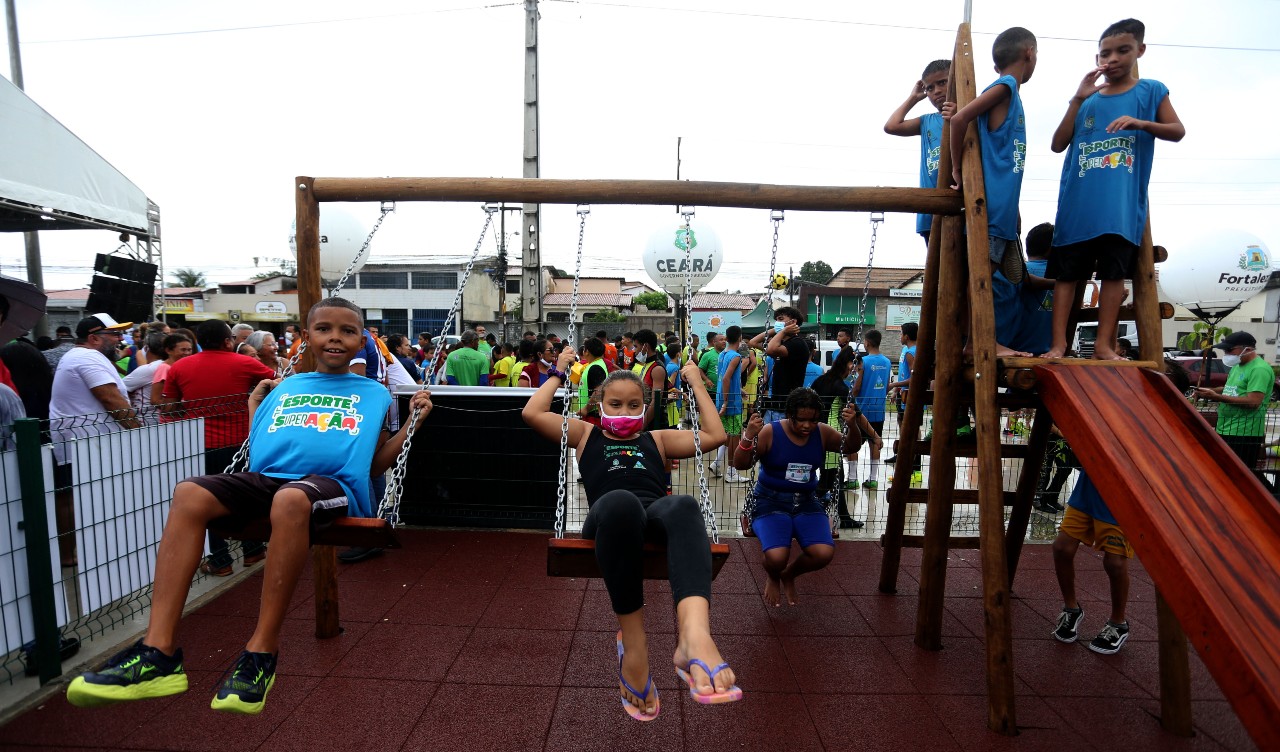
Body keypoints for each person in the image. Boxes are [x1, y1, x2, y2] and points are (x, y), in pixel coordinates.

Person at [68, 297, 433, 714]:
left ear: (362, 339)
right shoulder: (288, 386)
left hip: (330, 487)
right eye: (325, 329)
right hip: (270, 479)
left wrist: (411, 423)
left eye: (348, 331)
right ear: (306, 337)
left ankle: (261, 653)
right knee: (190, 491)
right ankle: (159, 650)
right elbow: (262, 448)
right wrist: (254, 406)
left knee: (291, 499)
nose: (336, 337)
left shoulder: (373, 393)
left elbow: (375, 463)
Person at [522, 346, 741, 719]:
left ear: (645, 406)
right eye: (616, 403)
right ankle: (635, 645)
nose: (625, 412)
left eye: (634, 404)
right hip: (609, 518)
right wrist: (558, 372)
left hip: (653, 516)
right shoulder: (585, 434)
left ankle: (694, 635)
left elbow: (715, 435)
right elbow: (532, 413)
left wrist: (695, 383)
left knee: (684, 504)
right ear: (600, 404)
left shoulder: (656, 439)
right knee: (621, 501)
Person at [1042, 19, 1185, 360]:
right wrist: (1076, 99)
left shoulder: (1150, 91)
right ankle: (1058, 344)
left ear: (1140, 51)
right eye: (1105, 53)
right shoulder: (1088, 100)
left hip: (1119, 208)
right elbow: (1057, 143)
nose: (1114, 58)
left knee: (1113, 274)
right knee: (1067, 276)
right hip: (1078, 205)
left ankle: (1104, 345)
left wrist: (1141, 123)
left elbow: (1177, 130)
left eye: (1123, 50)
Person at [160, 320, 277, 576]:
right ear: (228, 341)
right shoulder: (245, 363)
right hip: (242, 442)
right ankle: (253, 548)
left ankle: (221, 560)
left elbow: (167, 407)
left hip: (201, 445)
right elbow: (279, 385)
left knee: (207, 500)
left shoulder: (179, 367)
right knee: (247, 496)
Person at [948, 27, 1038, 358]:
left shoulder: (1008, 92)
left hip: (1002, 206)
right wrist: (957, 170)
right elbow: (959, 120)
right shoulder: (1005, 87)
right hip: (990, 204)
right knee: (981, 275)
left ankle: (976, 340)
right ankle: (978, 342)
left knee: (988, 273)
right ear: (1029, 52)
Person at [732, 388, 864, 607]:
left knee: (823, 553)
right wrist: (748, 435)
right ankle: (774, 574)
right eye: (801, 420)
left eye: (812, 420)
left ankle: (789, 575)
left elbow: (850, 446)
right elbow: (741, 463)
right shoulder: (771, 432)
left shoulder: (821, 432)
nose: (806, 426)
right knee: (776, 557)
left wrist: (852, 425)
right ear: (789, 415)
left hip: (806, 502)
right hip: (770, 502)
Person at [49, 314, 142, 567]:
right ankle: (72, 554)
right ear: (94, 337)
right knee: (73, 497)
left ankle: (78, 552)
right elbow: (110, 398)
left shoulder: (84, 356)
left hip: (88, 442)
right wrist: (141, 433)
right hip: (84, 443)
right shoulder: (87, 357)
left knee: (77, 497)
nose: (120, 340)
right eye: (114, 335)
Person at [1051, 471, 1133, 654]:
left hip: (1122, 496)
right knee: (1062, 548)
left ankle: (1118, 624)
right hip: (1089, 489)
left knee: (1115, 563)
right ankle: (1071, 610)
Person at [885, 58, 955, 245]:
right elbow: (892, 126)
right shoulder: (927, 121)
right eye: (929, 88)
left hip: (962, 206)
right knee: (938, 271)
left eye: (942, 82)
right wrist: (914, 97)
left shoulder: (973, 114)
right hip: (930, 210)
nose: (936, 91)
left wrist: (960, 116)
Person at [1195, 332, 1272, 473]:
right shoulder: (1238, 366)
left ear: (1247, 349)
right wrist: (1210, 391)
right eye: (1225, 350)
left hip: (1244, 434)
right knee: (1223, 472)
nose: (1226, 353)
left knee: (1240, 475)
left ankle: (1268, 495)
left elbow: (1254, 402)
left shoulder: (1259, 369)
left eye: (1229, 350)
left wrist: (1217, 397)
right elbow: (1231, 388)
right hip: (1225, 429)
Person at [748, 307, 811, 423]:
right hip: (775, 403)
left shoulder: (797, 343)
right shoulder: (782, 343)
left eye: (781, 319)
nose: (777, 322)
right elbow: (753, 342)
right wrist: (777, 330)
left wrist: (782, 331)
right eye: (776, 320)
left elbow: (771, 349)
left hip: (786, 405)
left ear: (793, 322)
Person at [850, 330, 892, 491]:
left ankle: (852, 477)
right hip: (879, 408)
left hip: (862, 409)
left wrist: (852, 395)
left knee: (852, 442)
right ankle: (873, 479)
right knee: (875, 441)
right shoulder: (887, 362)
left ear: (867, 342)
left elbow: (857, 387)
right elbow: (887, 385)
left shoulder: (863, 362)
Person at [714, 327, 747, 483]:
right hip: (731, 403)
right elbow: (726, 378)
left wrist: (739, 390)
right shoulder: (736, 356)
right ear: (740, 338)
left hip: (724, 398)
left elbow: (724, 378)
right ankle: (731, 472)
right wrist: (727, 402)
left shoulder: (722, 354)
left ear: (727, 338)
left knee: (728, 434)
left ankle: (717, 463)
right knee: (735, 437)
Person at [123, 332, 168, 418]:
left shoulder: (149, 369)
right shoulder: (167, 365)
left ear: (146, 348)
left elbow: (119, 387)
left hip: (145, 420)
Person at [147, 334, 194, 409]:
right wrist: (179, 407)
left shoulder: (185, 367)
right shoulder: (164, 368)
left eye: (189, 350)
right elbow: (155, 399)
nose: (187, 353)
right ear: (168, 350)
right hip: (173, 418)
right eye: (183, 350)